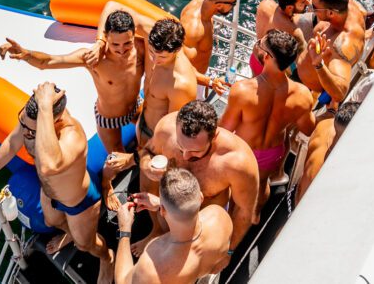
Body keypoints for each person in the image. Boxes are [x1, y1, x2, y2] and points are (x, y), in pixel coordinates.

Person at [0, 83, 114, 282]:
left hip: (77, 201)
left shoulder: (72, 136)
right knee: (52, 221)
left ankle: (107, 258)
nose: (25, 132)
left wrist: (45, 108)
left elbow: (48, 165)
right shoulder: (31, 121)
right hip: (49, 193)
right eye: (23, 124)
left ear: (54, 121)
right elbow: (12, 142)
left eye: (31, 130)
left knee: (85, 245)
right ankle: (68, 233)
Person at [0, 10, 145, 210]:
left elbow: (114, 4)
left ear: (134, 34)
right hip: (108, 117)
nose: (121, 50)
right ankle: (106, 186)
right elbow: (49, 61)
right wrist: (26, 54)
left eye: (126, 43)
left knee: (148, 145)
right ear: (107, 39)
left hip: (136, 107)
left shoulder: (142, 48)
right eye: (115, 44)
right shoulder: (94, 59)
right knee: (115, 158)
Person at [138, 101, 259, 257]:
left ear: (214, 136)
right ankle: (157, 231)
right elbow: (147, 151)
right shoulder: (166, 128)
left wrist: (227, 251)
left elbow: (244, 212)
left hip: (201, 227)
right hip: (166, 209)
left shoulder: (237, 162)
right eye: (181, 147)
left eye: (195, 151)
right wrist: (147, 165)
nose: (185, 156)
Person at [220, 30, 316, 220]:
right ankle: (254, 215)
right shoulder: (302, 95)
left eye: (259, 44)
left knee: (232, 189)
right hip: (272, 152)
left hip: (242, 152)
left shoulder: (243, 90)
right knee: (261, 184)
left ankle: (230, 221)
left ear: (266, 56)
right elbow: (308, 129)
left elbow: (224, 129)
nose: (257, 46)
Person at [89, 8, 196, 146]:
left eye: (162, 57)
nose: (155, 62)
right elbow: (112, 5)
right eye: (151, 53)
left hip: (154, 137)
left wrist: (133, 159)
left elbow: (171, 133)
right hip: (141, 121)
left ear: (177, 50)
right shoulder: (151, 35)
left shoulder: (181, 85)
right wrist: (101, 42)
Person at [115, 168, 232, 284]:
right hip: (205, 271)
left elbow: (123, 281)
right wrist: (161, 206)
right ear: (200, 197)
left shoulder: (153, 263)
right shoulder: (219, 216)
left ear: (163, 211)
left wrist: (124, 230)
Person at [295, 0, 365, 107]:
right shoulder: (347, 5)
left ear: (331, 13)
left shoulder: (341, 45)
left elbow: (340, 93)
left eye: (315, 8)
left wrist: (318, 65)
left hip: (310, 87)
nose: (311, 9)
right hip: (314, 64)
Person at [180, 0, 239, 95]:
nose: (233, 6)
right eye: (233, 3)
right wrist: (211, 82)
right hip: (189, 84)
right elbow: (181, 67)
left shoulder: (203, 1)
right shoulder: (194, 29)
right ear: (219, 5)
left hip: (200, 79)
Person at [295, 101, 359, 204]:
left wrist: (331, 110)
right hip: (299, 207)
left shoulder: (324, 124)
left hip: (296, 192)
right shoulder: (329, 170)